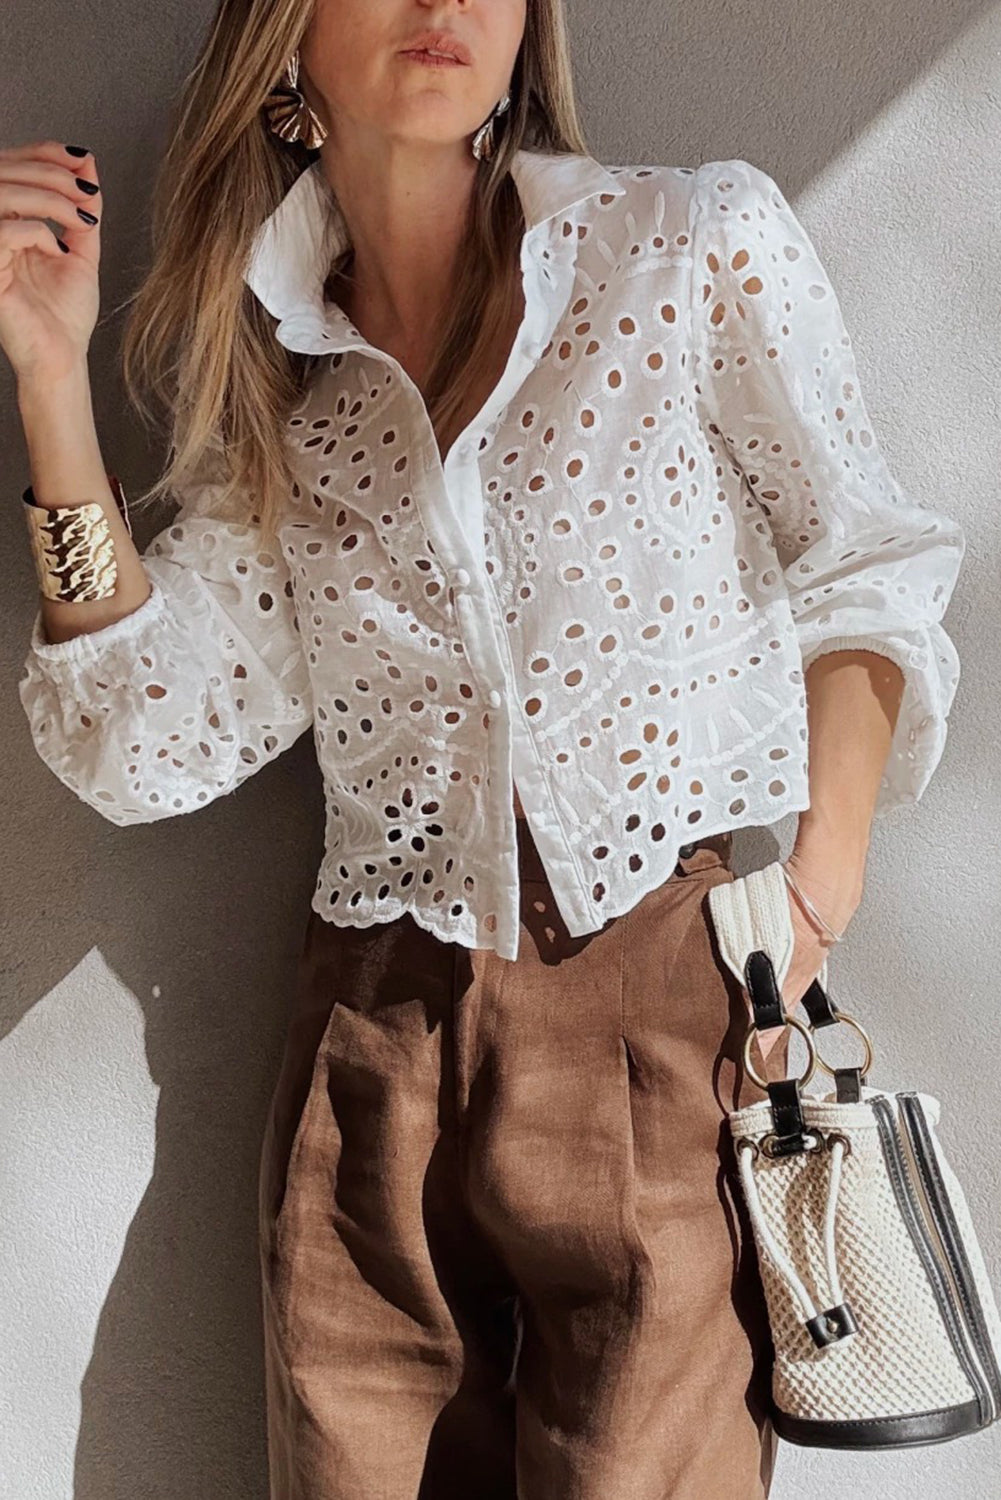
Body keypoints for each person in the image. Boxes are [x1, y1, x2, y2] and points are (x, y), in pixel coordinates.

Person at [3, 1, 965, 1496]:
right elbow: (140, 743)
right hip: (375, 1049)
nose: (444, 4)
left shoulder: (685, 247)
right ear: (285, 49)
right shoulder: (290, 399)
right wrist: (52, 383)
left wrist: (811, 896)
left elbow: (867, 567)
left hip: (668, 1007)